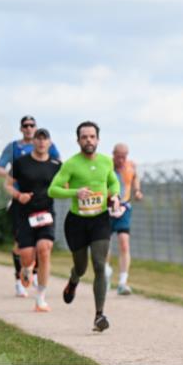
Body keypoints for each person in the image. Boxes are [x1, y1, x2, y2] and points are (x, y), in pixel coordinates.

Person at [47, 121, 121, 332]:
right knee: (81, 266)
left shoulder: (107, 161)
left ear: (98, 139)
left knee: (99, 265)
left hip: (99, 219)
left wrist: (114, 195)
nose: (88, 140)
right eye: (84, 137)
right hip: (77, 222)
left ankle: (99, 315)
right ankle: (73, 279)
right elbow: (53, 190)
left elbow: (113, 182)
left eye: (92, 136)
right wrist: (75, 193)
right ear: (78, 140)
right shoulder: (71, 164)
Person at [0, 116, 60, 297]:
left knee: (43, 246)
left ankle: (37, 276)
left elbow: (58, 167)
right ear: (21, 128)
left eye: (32, 125)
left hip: (43, 203)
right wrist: (17, 174)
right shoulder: (14, 148)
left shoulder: (48, 146)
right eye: (26, 125)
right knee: (21, 246)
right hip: (19, 201)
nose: (29, 128)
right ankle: (20, 278)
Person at [106, 143, 143, 295]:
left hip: (124, 208)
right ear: (113, 154)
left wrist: (137, 191)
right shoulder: (106, 166)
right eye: (118, 156)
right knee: (104, 245)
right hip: (106, 208)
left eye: (124, 157)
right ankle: (105, 272)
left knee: (124, 243)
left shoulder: (131, 166)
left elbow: (135, 178)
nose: (121, 160)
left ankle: (122, 282)